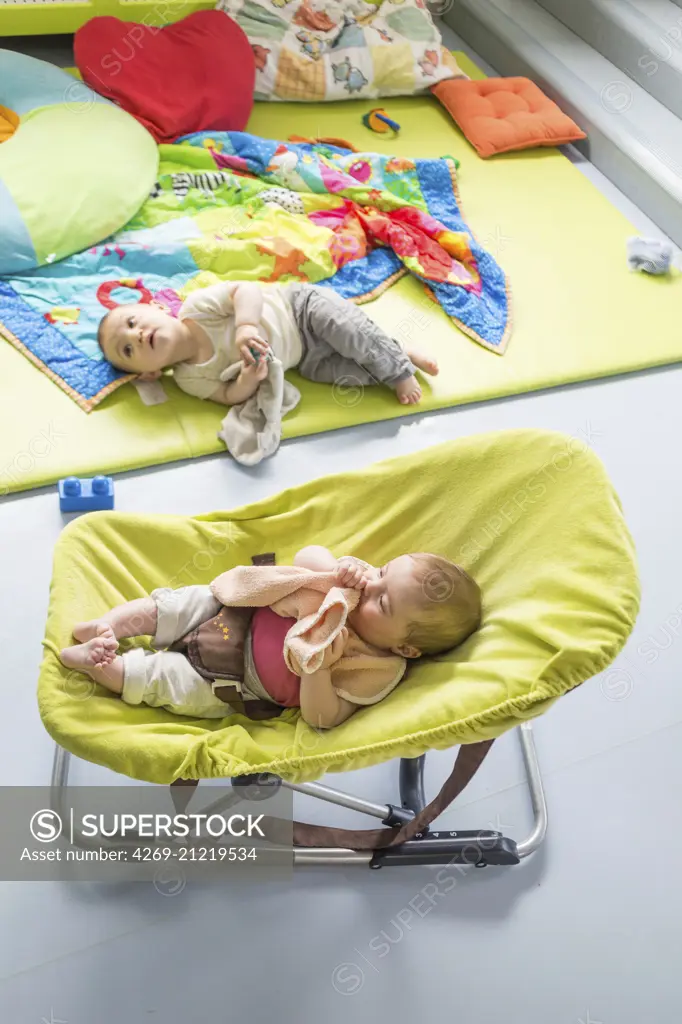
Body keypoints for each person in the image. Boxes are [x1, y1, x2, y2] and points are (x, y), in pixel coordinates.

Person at [59, 546, 481, 730]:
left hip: (233, 683)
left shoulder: (373, 665)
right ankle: (106, 627)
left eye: (384, 604)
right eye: (384, 571)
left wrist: (320, 668)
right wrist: (338, 569)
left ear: (405, 648)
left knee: (161, 681)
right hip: (234, 611)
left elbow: (322, 718)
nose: (373, 586)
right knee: (169, 607)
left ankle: (99, 662)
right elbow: (305, 558)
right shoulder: (352, 586)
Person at [97, 280, 438, 408]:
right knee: (343, 372)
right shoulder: (189, 379)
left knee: (345, 330)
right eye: (127, 349)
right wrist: (249, 378)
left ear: (157, 308)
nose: (136, 335)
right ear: (149, 374)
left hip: (300, 308)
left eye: (132, 322)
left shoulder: (197, 308)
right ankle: (397, 351)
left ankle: (398, 368)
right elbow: (229, 396)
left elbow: (246, 290)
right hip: (303, 358)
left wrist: (245, 325)